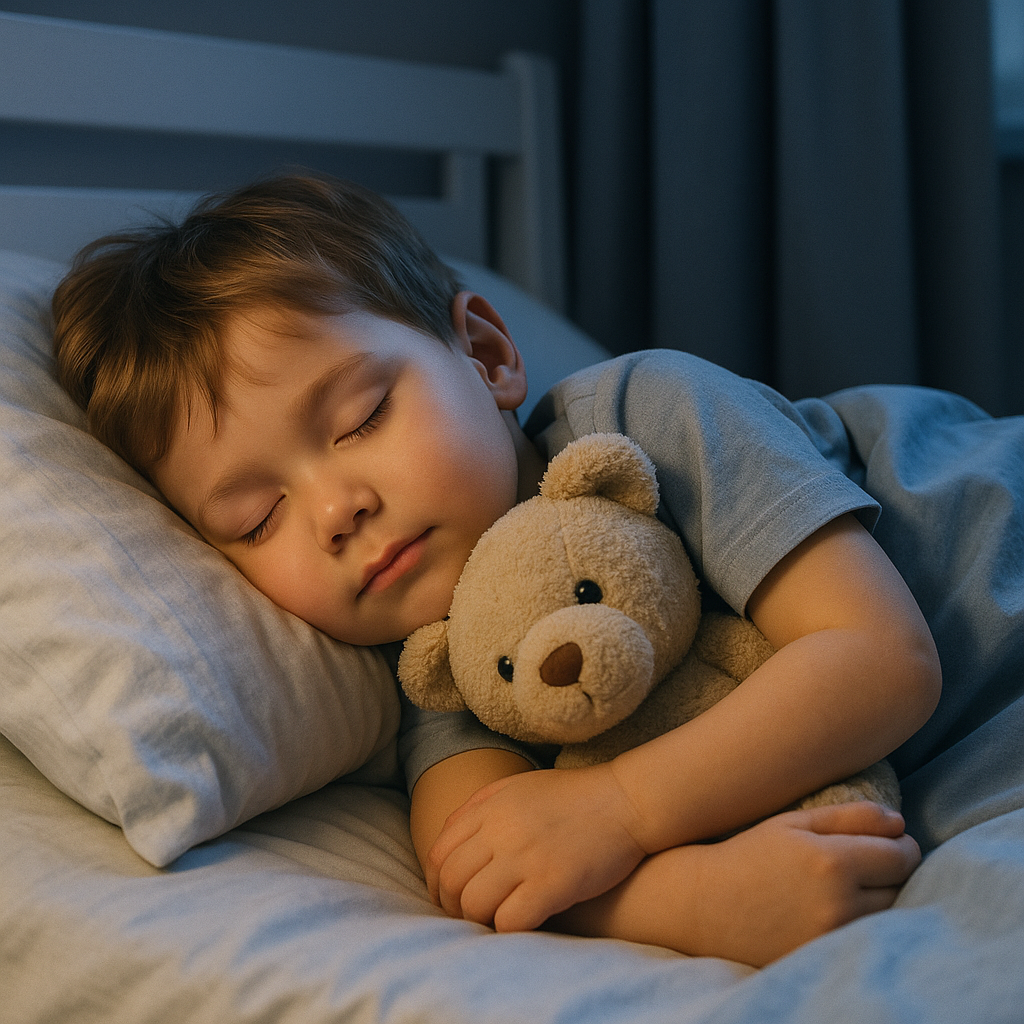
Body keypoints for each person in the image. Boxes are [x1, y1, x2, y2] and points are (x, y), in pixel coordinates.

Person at [50, 172, 953, 968]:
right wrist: (693, 900)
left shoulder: (652, 417)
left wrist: (623, 808)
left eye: (361, 417)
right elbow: (481, 860)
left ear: (485, 355)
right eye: (258, 518)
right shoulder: (441, 666)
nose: (336, 510)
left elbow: (881, 659)